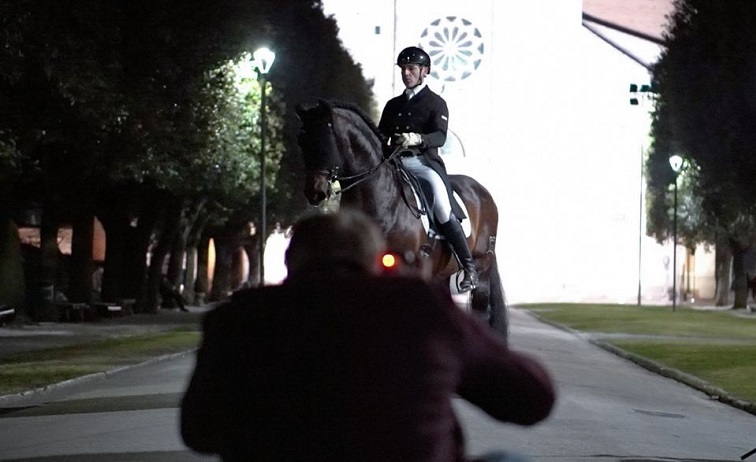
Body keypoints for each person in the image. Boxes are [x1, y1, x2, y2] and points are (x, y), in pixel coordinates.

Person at [181, 208, 556, 461]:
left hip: (421, 163)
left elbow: (199, 434)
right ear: (375, 260)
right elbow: (533, 399)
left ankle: (463, 251)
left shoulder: (237, 318)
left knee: (442, 203)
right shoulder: (417, 303)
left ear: (292, 262)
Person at [378, 46, 478, 292]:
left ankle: (468, 267)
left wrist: (417, 139)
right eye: (403, 69)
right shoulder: (393, 105)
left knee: (443, 208)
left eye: (411, 69)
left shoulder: (435, 103)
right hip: (394, 163)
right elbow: (379, 136)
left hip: (422, 164)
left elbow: (440, 136)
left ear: (424, 71)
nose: (406, 73)